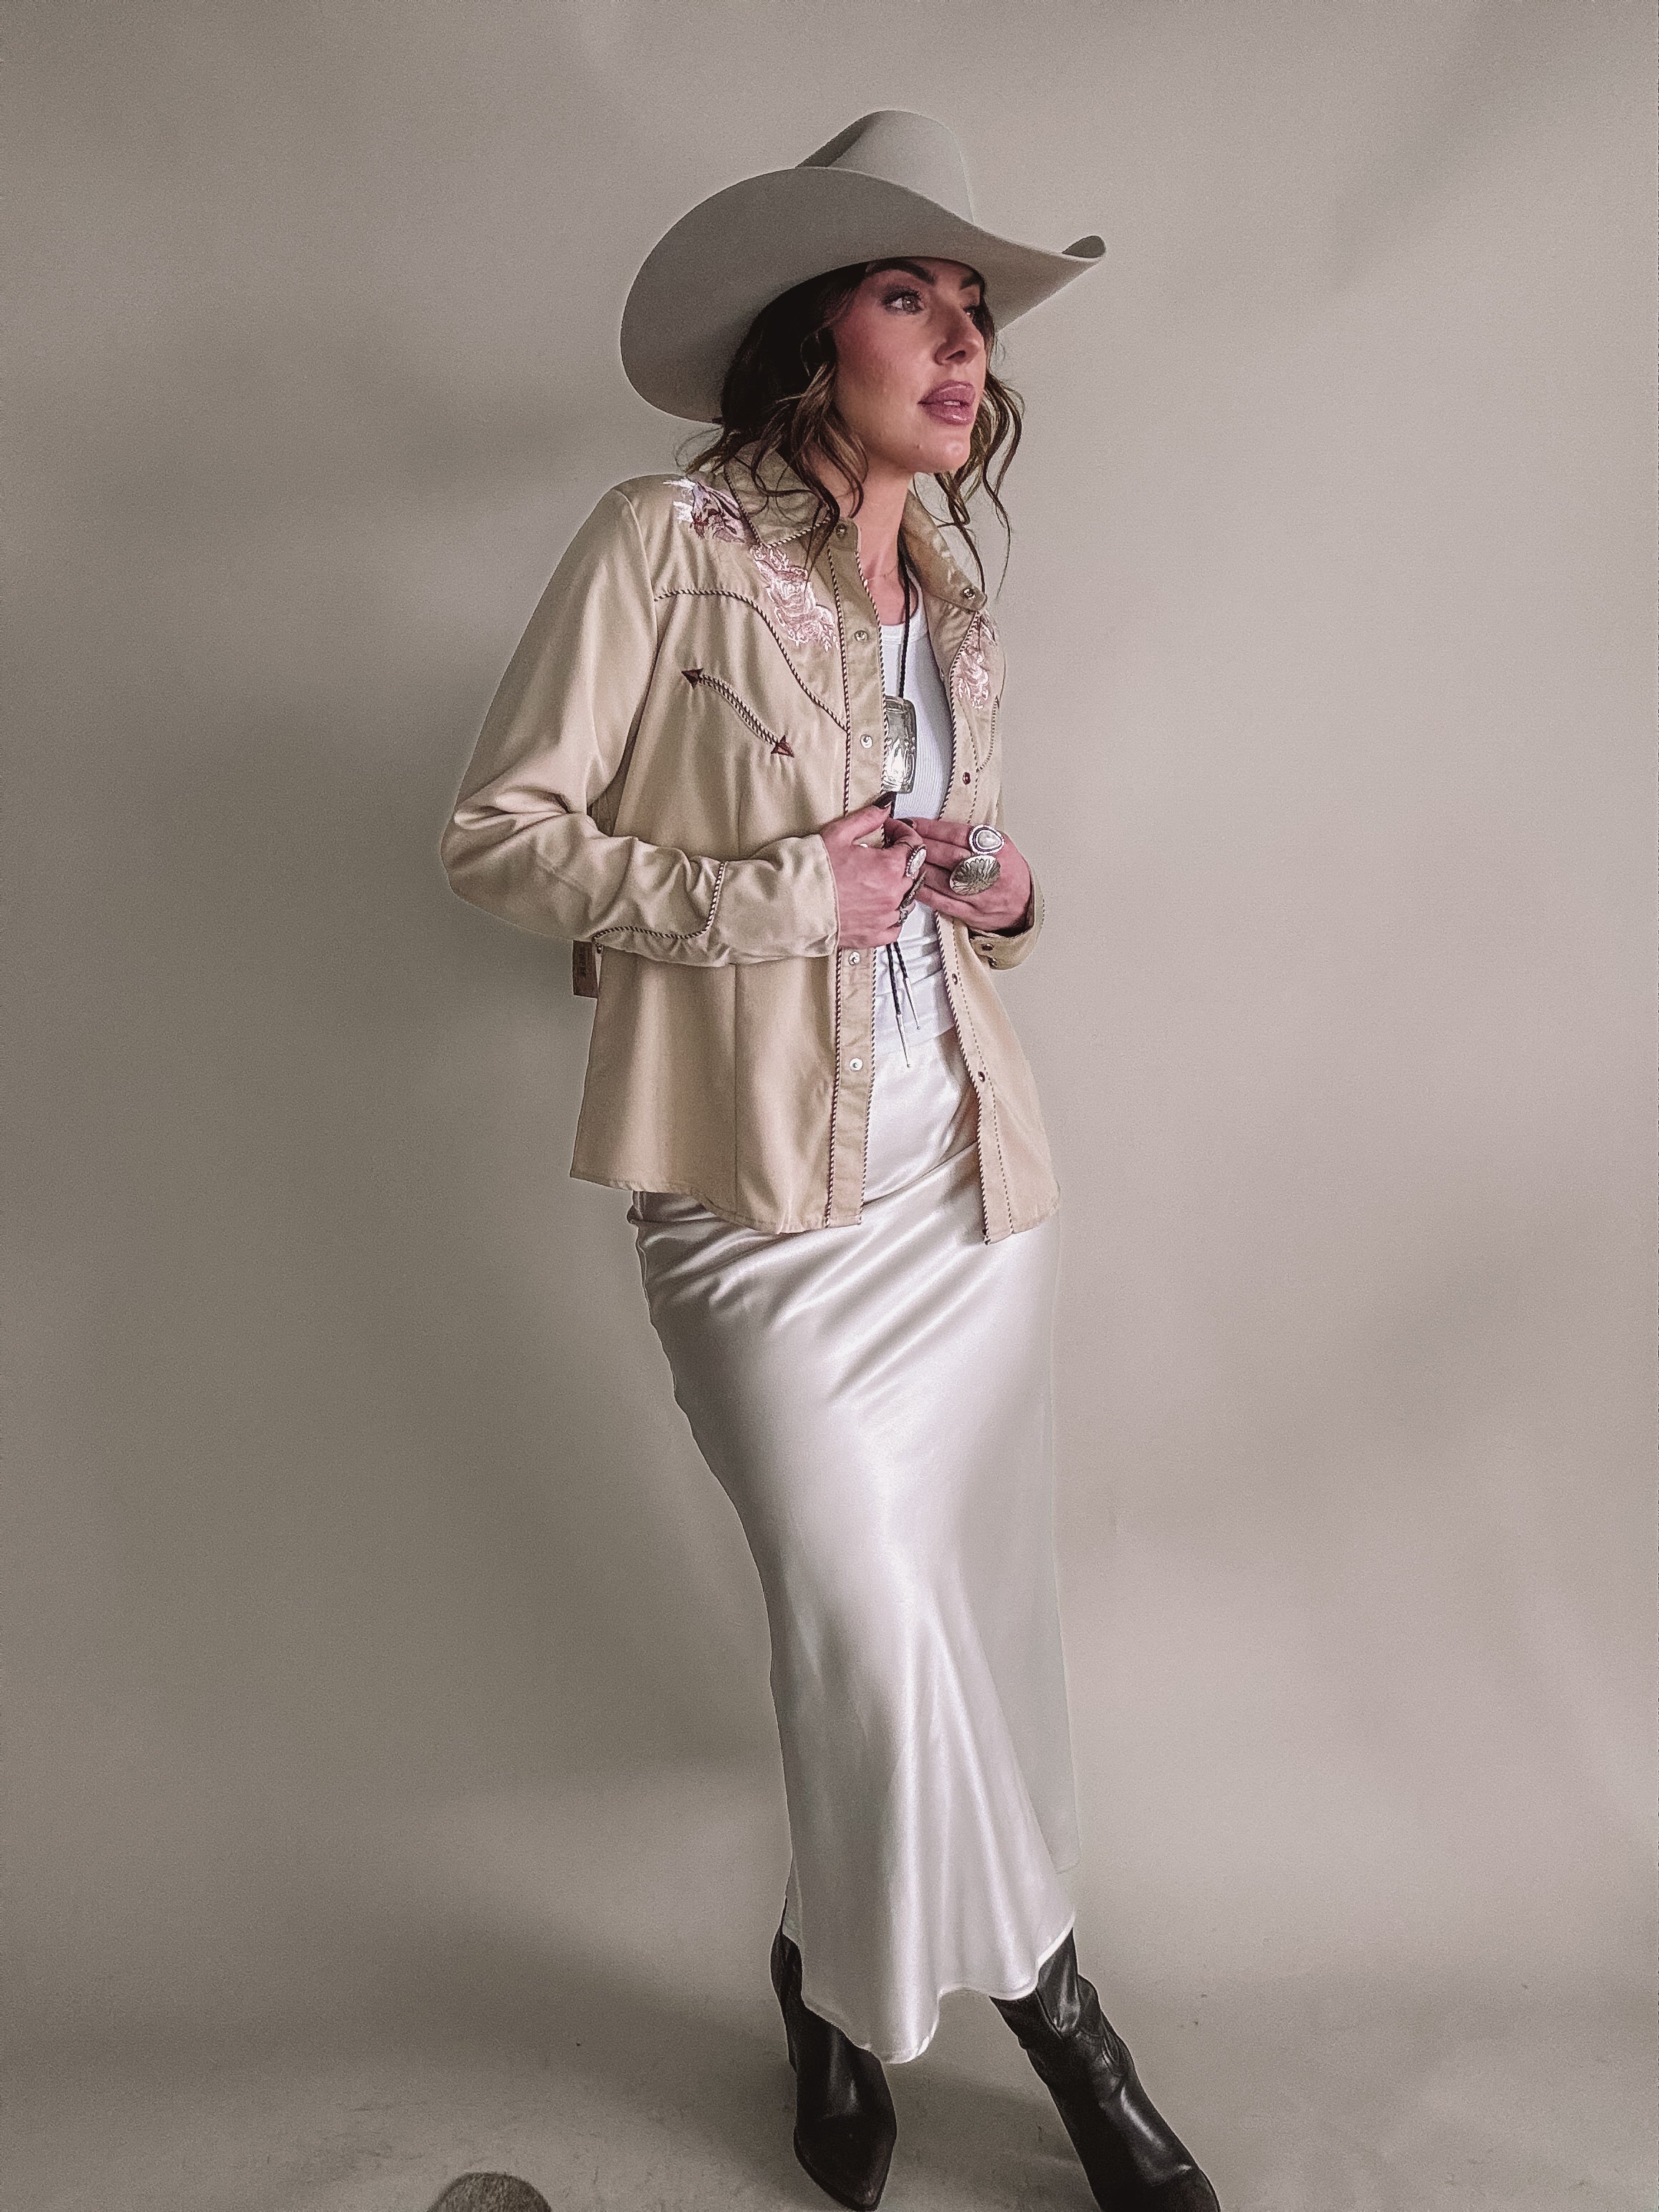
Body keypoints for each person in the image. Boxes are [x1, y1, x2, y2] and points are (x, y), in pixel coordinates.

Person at [440, 109, 1220, 2212]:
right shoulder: (661, 542)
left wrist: (1007, 895)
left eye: (975, 310)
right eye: (910, 297)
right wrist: (783, 894)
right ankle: (1064, 2020)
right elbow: (497, 835)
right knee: (866, 1620)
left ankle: (820, 1967)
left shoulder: (951, 594)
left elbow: (937, 890)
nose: (963, 345)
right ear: (809, 339)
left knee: (955, 1629)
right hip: (753, 1201)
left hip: (961, 1189)